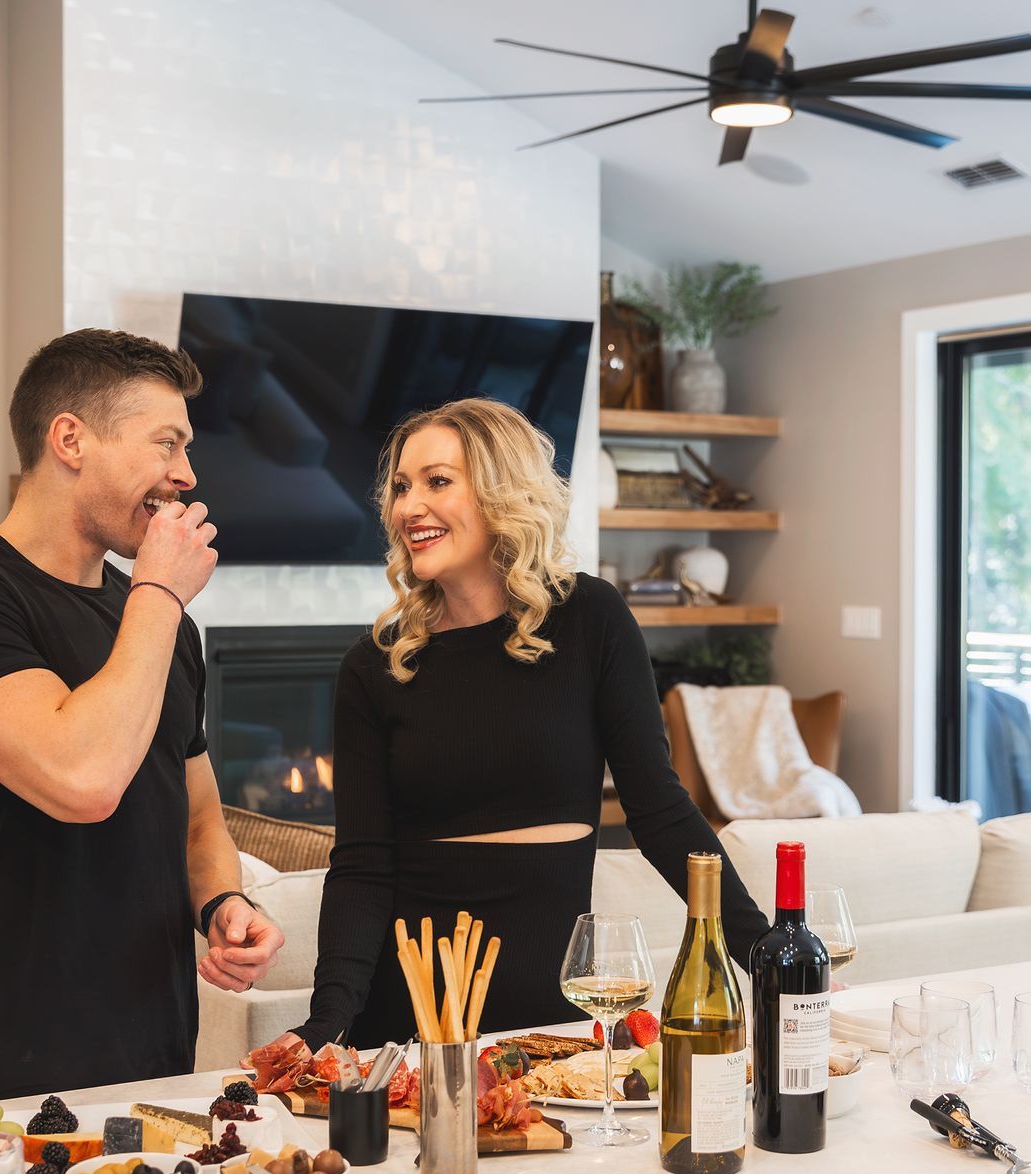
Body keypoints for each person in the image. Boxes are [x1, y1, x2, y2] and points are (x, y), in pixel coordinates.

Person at [257, 398, 770, 1055]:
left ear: (502, 492)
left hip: (556, 1006)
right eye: (401, 487)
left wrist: (764, 952)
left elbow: (662, 811)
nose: (410, 506)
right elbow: (362, 867)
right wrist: (326, 1022)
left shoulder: (592, 619)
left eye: (438, 481)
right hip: (417, 1011)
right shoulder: (375, 666)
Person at [0, 329, 284, 1105]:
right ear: (70, 438)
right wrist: (160, 594)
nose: (187, 475)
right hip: (4, 1060)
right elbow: (83, 778)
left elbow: (198, 817)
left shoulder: (163, 627)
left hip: (161, 1045)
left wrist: (222, 902)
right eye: (166, 443)